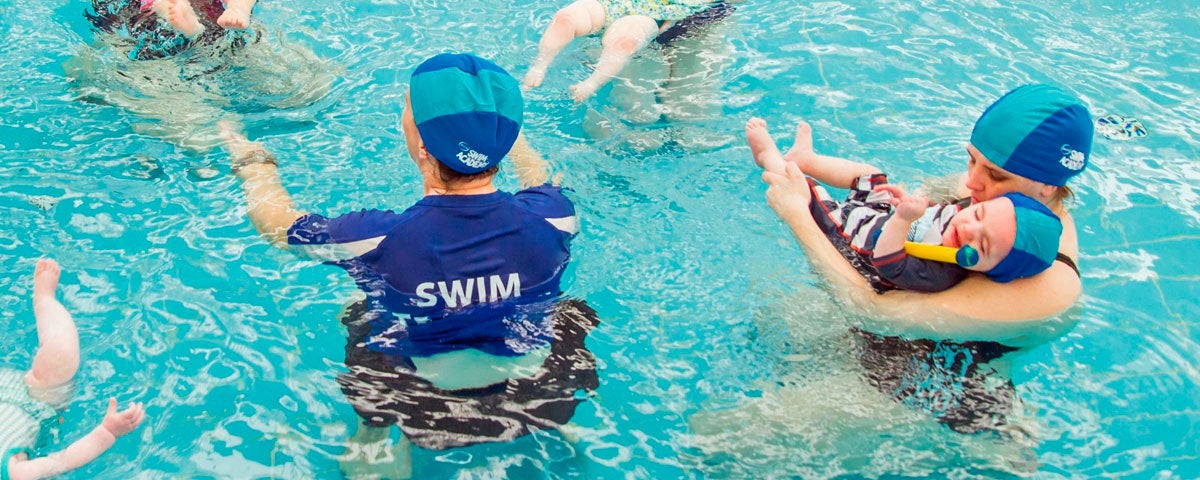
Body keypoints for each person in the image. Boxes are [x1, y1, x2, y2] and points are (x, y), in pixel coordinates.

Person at [218, 53, 594, 479]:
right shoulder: (554, 216)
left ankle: (372, 437)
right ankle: (569, 424)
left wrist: (253, 162)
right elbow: (539, 178)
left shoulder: (377, 238)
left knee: (361, 313)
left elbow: (276, 226)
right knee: (569, 307)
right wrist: (503, 135)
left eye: (406, 107)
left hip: (425, 403)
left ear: (420, 145)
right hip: (545, 386)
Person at [754, 83, 1093, 434]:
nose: (973, 183)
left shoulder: (1050, 284)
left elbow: (873, 314)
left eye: (995, 174)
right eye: (972, 159)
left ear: (1049, 185)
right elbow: (917, 209)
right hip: (884, 334)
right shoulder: (988, 190)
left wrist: (796, 213)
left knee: (729, 434)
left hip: (936, 391)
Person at [745, 117, 1064, 293]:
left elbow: (890, 263)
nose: (968, 228)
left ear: (991, 271)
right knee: (871, 176)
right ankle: (809, 159)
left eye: (981, 244)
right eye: (977, 214)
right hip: (882, 217)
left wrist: (901, 220)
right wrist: (906, 206)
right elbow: (931, 217)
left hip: (853, 239)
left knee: (805, 192)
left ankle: (770, 157)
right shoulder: (963, 214)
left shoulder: (939, 273)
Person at [2, 259, 146, 480]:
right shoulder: (15, 473)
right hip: (37, 399)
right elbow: (62, 461)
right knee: (60, 355)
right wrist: (107, 432)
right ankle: (44, 300)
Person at [523, 0, 729, 102]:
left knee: (624, 41)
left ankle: (591, 83)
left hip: (654, 12)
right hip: (609, 4)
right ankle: (539, 65)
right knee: (566, 19)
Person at [86, 0, 258, 60]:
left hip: (162, 25)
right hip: (217, 20)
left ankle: (193, 31)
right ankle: (238, 9)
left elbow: (111, 21)